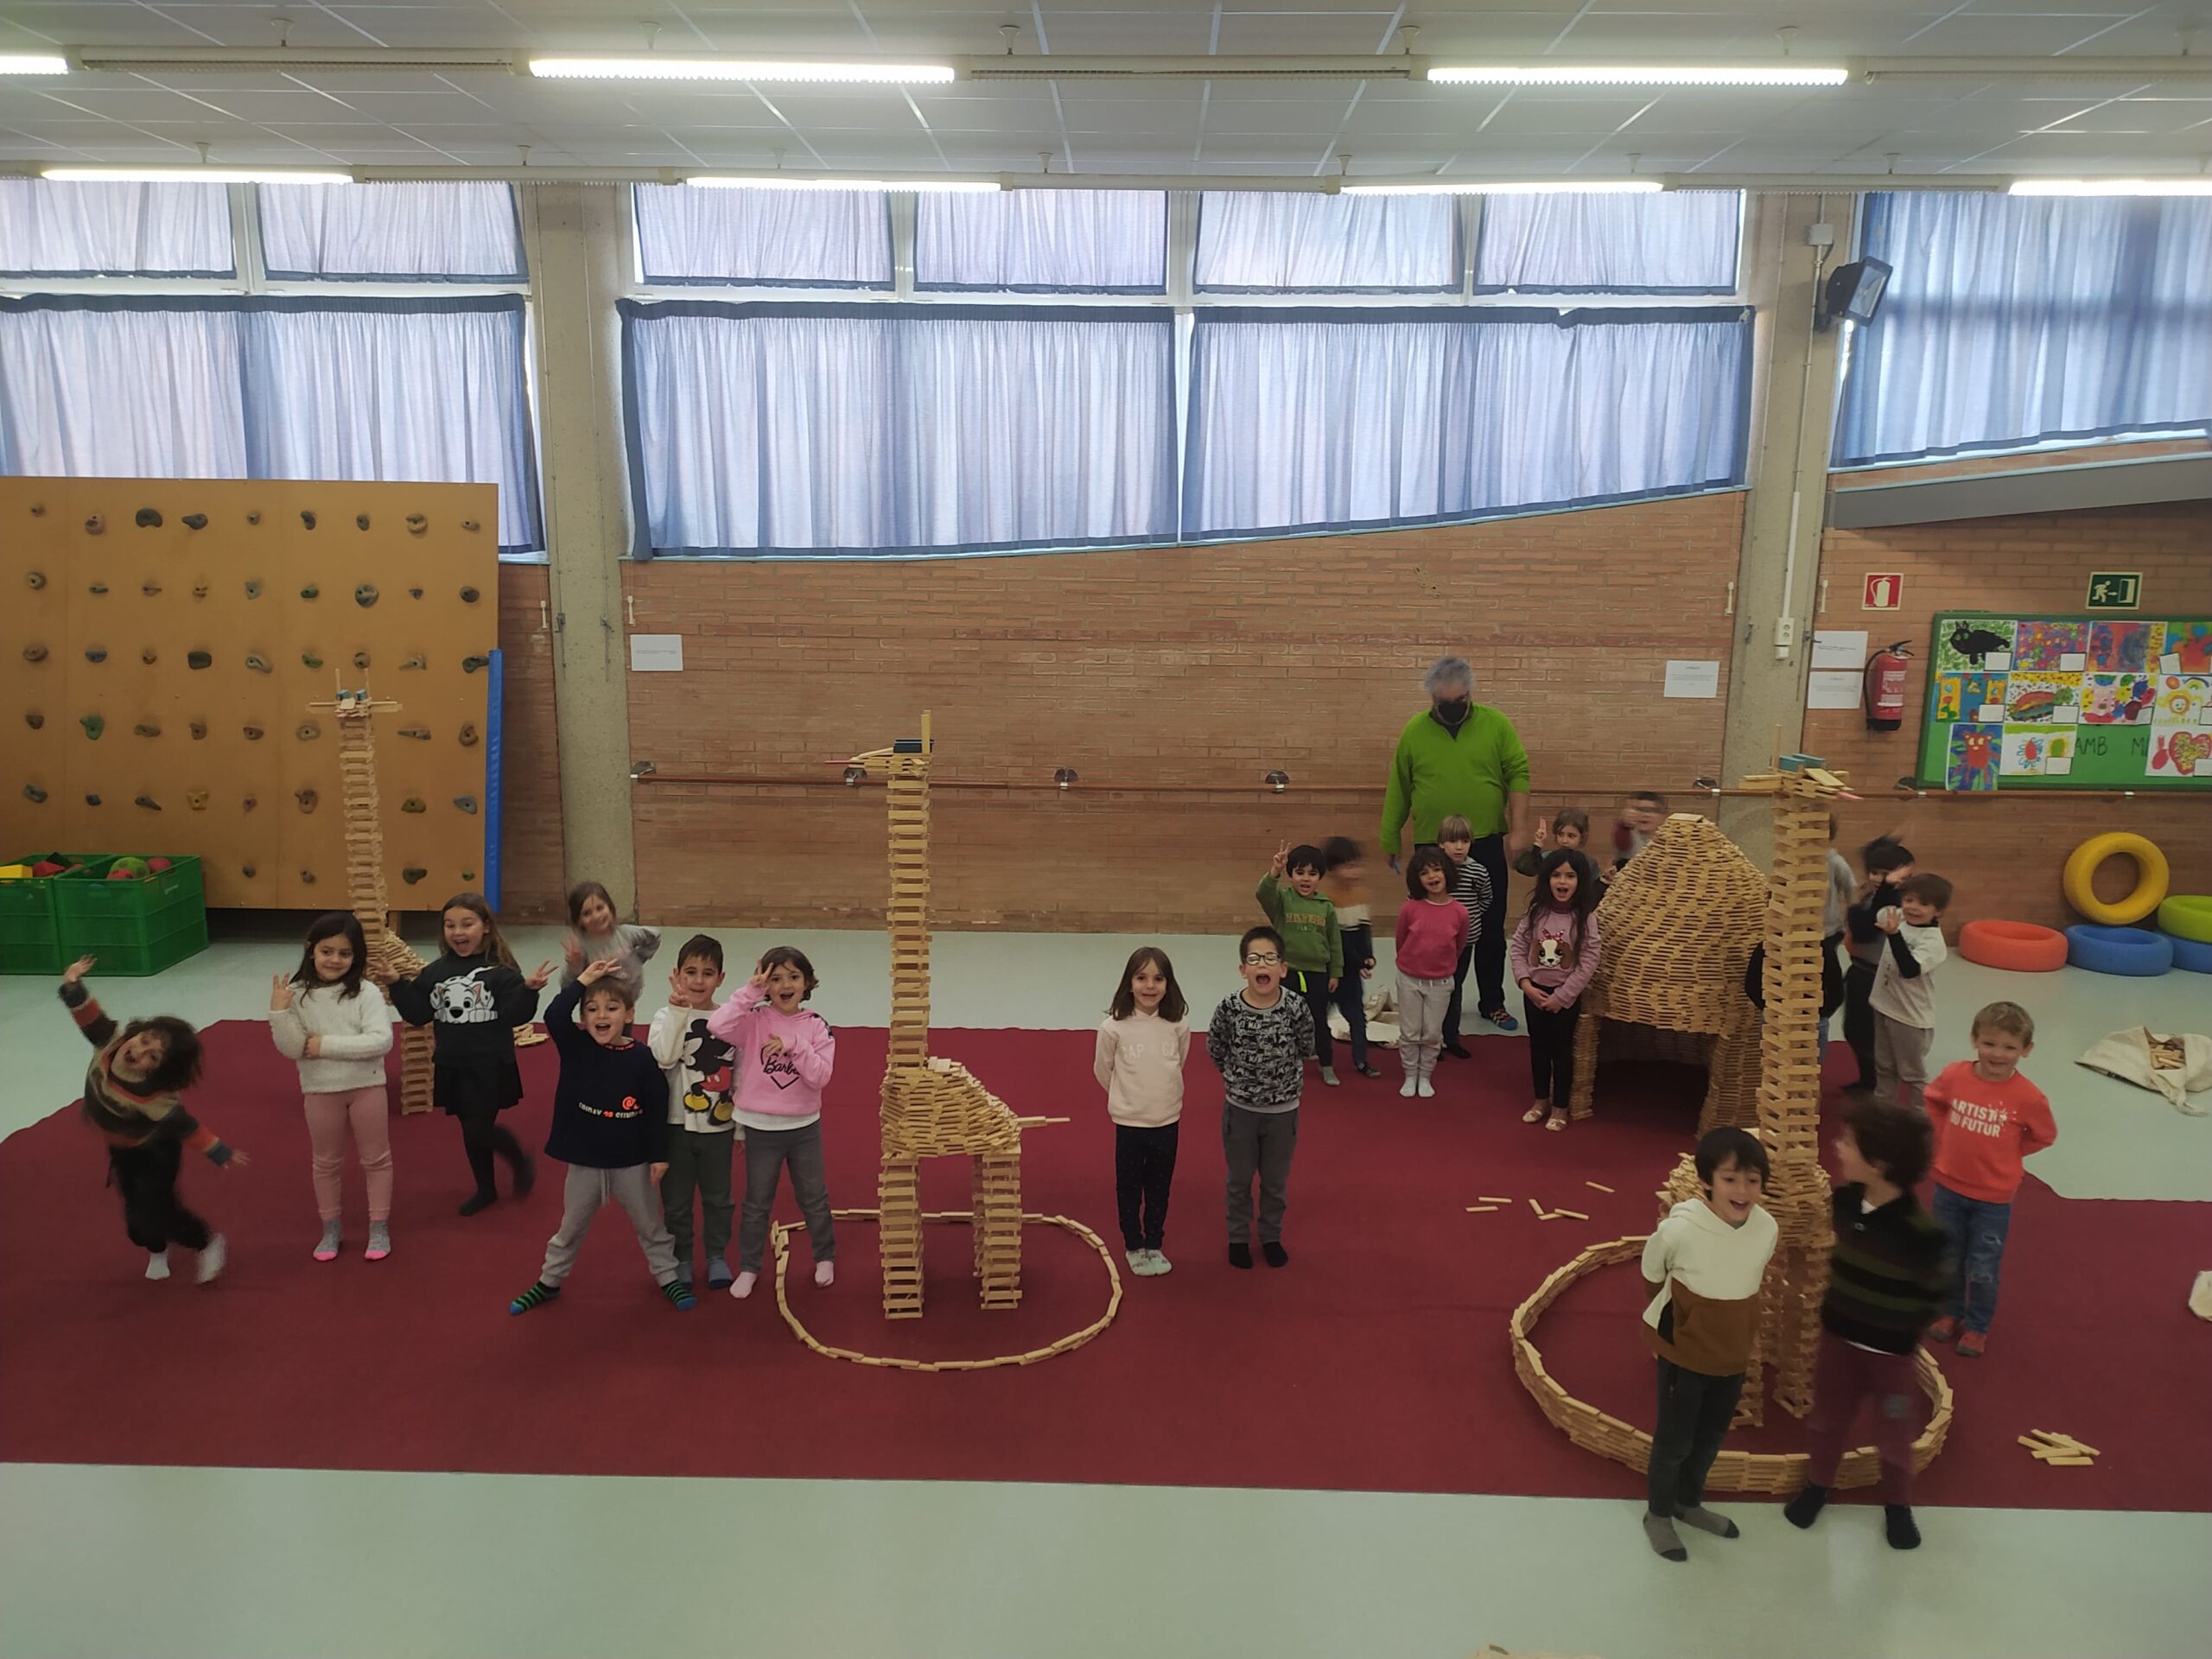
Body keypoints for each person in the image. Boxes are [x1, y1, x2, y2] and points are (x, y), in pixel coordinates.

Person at [1785, 1097, 1949, 1550]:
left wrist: (1900, 1332)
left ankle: (1898, 1504)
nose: (1836, 1147)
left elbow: (1936, 1293)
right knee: (1827, 1420)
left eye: (1847, 1142)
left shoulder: (1921, 1233)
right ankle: (1818, 1485)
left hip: (1891, 1359)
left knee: (1894, 1433)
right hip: (1839, 1341)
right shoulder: (1842, 1203)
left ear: (1878, 1164)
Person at [508, 962, 690, 1315]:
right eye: (592, 1010)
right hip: (585, 1163)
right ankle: (549, 1282)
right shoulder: (577, 1047)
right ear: (583, 1018)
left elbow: (657, 1109)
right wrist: (582, 981)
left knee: (651, 1225)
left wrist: (659, 1155)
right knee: (570, 1227)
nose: (601, 1016)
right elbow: (554, 1015)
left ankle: (668, 1277)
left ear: (629, 1014)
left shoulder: (642, 1059)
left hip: (632, 1163)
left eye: (611, 1008)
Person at [58, 956, 246, 1283]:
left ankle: (206, 1241)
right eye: (143, 1041)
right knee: (136, 1219)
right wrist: (73, 985)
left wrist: (217, 1150)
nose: (139, 1052)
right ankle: (156, 1248)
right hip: (122, 1150)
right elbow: (87, 1015)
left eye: (152, 1057)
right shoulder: (109, 1041)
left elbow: (185, 1125)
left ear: (160, 1071)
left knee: (156, 1209)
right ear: (138, 1031)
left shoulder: (154, 1097)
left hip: (155, 1151)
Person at [1639, 1127, 1778, 1562]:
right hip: (1685, 1354)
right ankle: (1659, 1513)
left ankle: (1688, 1502)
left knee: (1711, 1437)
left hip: (1732, 1355)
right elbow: (1652, 1274)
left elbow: (1750, 1276)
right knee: (1675, 1440)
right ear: (1707, 1181)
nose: (1742, 1191)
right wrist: (1678, 1321)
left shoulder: (1767, 1228)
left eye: (1753, 1180)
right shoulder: (1680, 1230)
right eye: (1730, 1179)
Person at [1379, 655, 1531, 1035]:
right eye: (1442, 703)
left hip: (1486, 842)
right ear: (1432, 699)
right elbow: (1400, 787)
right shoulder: (1414, 731)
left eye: (1458, 702)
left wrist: (1519, 830)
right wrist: (1390, 836)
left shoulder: (1496, 724)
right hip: (1432, 849)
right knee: (1432, 927)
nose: (1450, 709)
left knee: (1490, 927)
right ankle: (1441, 1004)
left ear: (1470, 695)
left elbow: (1518, 773)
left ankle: (1492, 1002)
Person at [385, 892, 552, 1215]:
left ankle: (520, 1160)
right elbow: (418, 1013)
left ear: (485, 926)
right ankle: (486, 1188)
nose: (458, 932)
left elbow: (513, 1015)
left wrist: (528, 991)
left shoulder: (501, 971)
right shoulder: (435, 972)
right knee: (470, 1128)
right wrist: (396, 983)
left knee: (479, 1127)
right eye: (450, 925)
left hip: (489, 1065)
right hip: (452, 1064)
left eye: (467, 924)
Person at [1923, 1001, 2056, 1359]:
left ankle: (1977, 1326)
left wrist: (2009, 1153)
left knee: (1983, 1267)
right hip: (1948, 1187)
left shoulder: (2029, 1097)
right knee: (1949, 1256)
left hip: (1993, 1199)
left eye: (2010, 1047)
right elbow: (1933, 1101)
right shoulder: (1954, 1076)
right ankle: (1951, 1311)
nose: (1998, 1054)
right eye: (1989, 1043)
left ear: (2026, 1049)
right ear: (1974, 1040)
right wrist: (1943, 1136)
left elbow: (2044, 1135)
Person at [268, 912, 396, 1262]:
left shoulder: (366, 992)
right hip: (320, 1091)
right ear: (311, 949)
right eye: (327, 951)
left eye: (345, 953)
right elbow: (293, 1048)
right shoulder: (296, 994)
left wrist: (323, 1045)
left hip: (367, 1087)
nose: (335, 960)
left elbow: (381, 1041)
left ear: (356, 956)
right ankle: (331, 1228)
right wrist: (279, 1014)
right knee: (325, 1162)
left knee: (377, 1159)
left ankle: (379, 1226)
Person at [711, 947, 837, 1300]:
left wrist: (795, 1045)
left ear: (807, 983)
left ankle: (824, 1256)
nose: (785, 985)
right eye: (776, 978)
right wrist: (750, 992)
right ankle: (749, 1266)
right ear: (766, 985)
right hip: (760, 1128)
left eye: (793, 977)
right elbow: (717, 1025)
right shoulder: (754, 1019)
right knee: (756, 1202)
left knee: (814, 1197)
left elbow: (820, 1076)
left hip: (803, 1128)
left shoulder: (816, 1026)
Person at [1208, 925, 1314, 1269]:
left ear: (1283, 968)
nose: (1262, 965)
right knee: (1239, 1180)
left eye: (1270, 958)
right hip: (1240, 1111)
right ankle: (1238, 1237)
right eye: (1254, 959)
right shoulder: (1229, 1008)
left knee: (1275, 1182)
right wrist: (1239, 1081)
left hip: (1283, 1113)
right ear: (1243, 969)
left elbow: (1306, 1046)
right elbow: (1216, 1048)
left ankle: (1270, 1236)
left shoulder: (1296, 1007)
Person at [648, 933, 740, 1291]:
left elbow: (740, 1072)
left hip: (720, 1127)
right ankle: (682, 1257)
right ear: (677, 975)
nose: (698, 981)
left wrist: (741, 1126)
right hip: (677, 1126)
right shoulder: (664, 1015)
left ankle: (716, 1254)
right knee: (676, 1201)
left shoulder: (729, 1020)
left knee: (719, 1199)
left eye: (707, 973)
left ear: (720, 978)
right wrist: (678, 1012)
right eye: (690, 972)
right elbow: (664, 1058)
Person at [1093, 947, 1191, 1278]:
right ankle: (1134, 1244)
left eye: (1158, 979)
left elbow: (1179, 1062)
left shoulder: (1177, 1024)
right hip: (1130, 1123)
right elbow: (1103, 1070)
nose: (1150, 986)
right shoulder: (1113, 1028)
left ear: (1168, 984)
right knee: (1130, 1187)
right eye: (1141, 978)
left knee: (1159, 1187)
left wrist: (1161, 1095)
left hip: (1167, 1121)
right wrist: (1126, 1098)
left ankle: (1154, 1243)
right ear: (1129, 983)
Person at [1509, 849, 1602, 1132]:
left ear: (1580, 881)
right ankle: (1541, 1101)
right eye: (1556, 875)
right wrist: (1526, 984)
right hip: (1534, 993)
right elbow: (1518, 947)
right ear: (1547, 879)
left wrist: (1563, 996)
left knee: (1561, 1051)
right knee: (1538, 1049)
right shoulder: (1536, 912)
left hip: (1565, 997)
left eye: (1570, 876)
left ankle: (1560, 1106)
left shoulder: (1585, 918)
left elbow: (1589, 960)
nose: (1562, 881)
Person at [1861, 872, 1952, 1114]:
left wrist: (1894, 935)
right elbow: (1879, 910)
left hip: (1909, 1017)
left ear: (1938, 911)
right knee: (1884, 1066)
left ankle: (1920, 1117)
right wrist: (1887, 886)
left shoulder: (1933, 942)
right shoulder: (1899, 916)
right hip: (1883, 1006)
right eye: (1909, 900)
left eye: (1923, 904)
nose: (1913, 907)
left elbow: (1909, 969)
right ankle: (1883, 1111)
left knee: (1912, 1074)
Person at [1256, 842, 1344, 1085]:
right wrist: (1275, 870)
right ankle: (1282, 1063)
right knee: (1284, 1020)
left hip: (1318, 973)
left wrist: (1335, 972)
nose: (1306, 878)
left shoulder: (1326, 906)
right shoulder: (1282, 901)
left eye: (1312, 874)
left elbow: (1334, 942)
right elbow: (1262, 893)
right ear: (1291, 875)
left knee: (1318, 1021)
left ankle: (1326, 1064)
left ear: (1320, 877)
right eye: (1300, 872)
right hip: (1288, 971)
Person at [1393, 849, 1470, 1099]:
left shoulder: (1460, 912)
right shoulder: (1410, 908)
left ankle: (1425, 1075)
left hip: (1441, 982)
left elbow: (1459, 946)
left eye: (1437, 870)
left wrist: (1442, 967)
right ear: (1417, 879)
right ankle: (1410, 1075)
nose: (1432, 876)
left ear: (1447, 872)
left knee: (1432, 1033)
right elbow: (1401, 941)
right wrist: (1411, 966)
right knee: (1410, 1032)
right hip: (1409, 979)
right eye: (1424, 873)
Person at [1842, 836, 1915, 1094]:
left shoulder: (1902, 904)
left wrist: (1887, 889)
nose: (1878, 879)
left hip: (1881, 977)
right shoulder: (1869, 898)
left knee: (1879, 1036)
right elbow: (1860, 925)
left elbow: (1867, 929)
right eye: (1874, 872)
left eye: (1885, 875)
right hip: (1860, 972)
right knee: (1855, 1030)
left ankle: (1882, 1084)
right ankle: (1868, 1080)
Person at [1435, 815, 1496, 1058]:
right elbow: (1417, 897)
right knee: (1436, 988)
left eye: (1465, 841)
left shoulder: (1477, 870)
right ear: (1441, 843)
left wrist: (1469, 919)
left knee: (1455, 986)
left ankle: (1451, 1037)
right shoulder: (1434, 870)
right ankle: (1433, 1039)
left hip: (1465, 941)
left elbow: (1486, 898)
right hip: (1437, 942)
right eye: (1453, 841)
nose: (1459, 847)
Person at [1321, 836, 1382, 1078]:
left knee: (1358, 1018)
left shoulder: (1362, 895)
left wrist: (1368, 957)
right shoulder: (1327, 898)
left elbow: (1363, 932)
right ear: (1332, 870)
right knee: (1318, 1016)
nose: (1355, 872)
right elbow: (1337, 942)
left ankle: (1361, 1060)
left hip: (1352, 972)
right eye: (1348, 866)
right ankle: (1318, 1053)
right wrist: (1359, 963)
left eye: (1357, 865)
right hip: (1330, 971)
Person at [560, 879, 660, 1005]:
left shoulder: (626, 934)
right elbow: (566, 987)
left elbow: (654, 936)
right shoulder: (582, 949)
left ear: (610, 907)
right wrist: (574, 967)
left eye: (600, 908)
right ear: (578, 921)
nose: (596, 916)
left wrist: (638, 958)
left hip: (629, 998)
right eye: (587, 913)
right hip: (597, 1004)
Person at [1605, 791, 1669, 881]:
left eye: (1651, 811)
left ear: (1663, 816)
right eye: (1639, 810)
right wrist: (1624, 825)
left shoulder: (1670, 839)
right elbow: (1622, 845)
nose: (1645, 815)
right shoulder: (1628, 835)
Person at [1512, 806, 1592, 878]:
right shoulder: (1548, 857)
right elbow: (1524, 868)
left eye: (1571, 836)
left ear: (1582, 837)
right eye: (1560, 834)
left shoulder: (1588, 863)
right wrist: (1538, 844)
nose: (1564, 840)